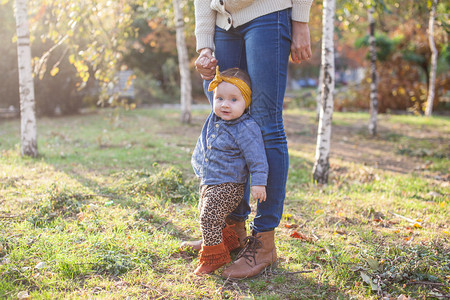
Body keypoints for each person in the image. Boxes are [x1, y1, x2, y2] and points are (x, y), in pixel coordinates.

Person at [184, 0, 314, 278]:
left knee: (267, 126)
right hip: (224, 23)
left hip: (268, 14)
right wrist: (204, 45)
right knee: (227, 117)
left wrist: (300, 21)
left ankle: (264, 242)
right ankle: (232, 231)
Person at [190, 66, 269, 275]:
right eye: (220, 98)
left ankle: (213, 256)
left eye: (234, 100)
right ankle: (228, 241)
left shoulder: (245, 127)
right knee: (205, 213)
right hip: (209, 181)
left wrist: (259, 182)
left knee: (209, 216)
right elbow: (210, 86)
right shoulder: (214, 119)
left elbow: (257, 157)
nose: (225, 104)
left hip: (229, 185)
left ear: (246, 102)